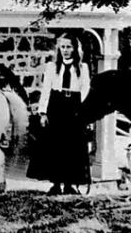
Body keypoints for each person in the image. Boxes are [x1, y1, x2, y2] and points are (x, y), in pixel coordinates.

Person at [26, 32, 92, 195]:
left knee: (72, 145)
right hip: (56, 105)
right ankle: (55, 184)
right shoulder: (52, 67)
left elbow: (85, 89)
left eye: (69, 47)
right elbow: (46, 89)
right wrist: (43, 112)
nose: (66, 50)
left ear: (75, 49)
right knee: (55, 145)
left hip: (74, 107)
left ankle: (70, 184)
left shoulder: (83, 68)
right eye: (63, 47)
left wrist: (84, 112)